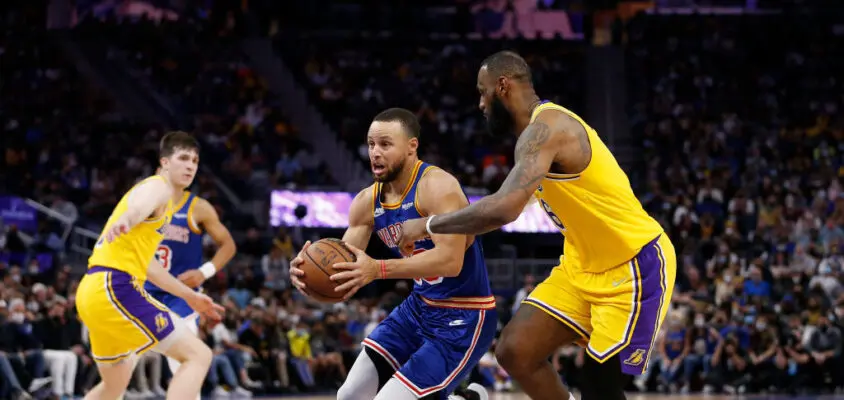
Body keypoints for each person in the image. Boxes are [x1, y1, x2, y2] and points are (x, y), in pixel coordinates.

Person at [398, 51, 678, 400]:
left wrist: (427, 226)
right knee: (515, 351)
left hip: (634, 265)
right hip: (581, 267)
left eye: (483, 92)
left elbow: (504, 209)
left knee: (599, 387)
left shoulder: (547, 130)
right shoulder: (534, 140)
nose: (480, 104)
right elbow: (500, 207)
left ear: (503, 86)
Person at [290, 108, 494, 400]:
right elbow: (341, 269)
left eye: (385, 144)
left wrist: (378, 269)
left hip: (464, 314)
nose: (375, 152)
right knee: (348, 396)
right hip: (417, 309)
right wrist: (303, 275)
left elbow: (450, 262)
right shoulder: (365, 201)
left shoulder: (437, 188)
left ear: (412, 147)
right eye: (371, 144)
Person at [75, 131, 224, 400]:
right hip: (115, 286)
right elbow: (139, 205)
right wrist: (129, 219)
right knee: (198, 355)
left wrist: (191, 296)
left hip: (92, 292)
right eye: (183, 158)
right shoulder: (158, 186)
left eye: (195, 161)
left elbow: (150, 267)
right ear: (165, 162)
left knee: (114, 385)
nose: (190, 165)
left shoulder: (164, 207)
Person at [143, 168, 242, 398]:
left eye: (192, 162)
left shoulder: (197, 207)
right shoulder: (142, 203)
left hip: (180, 295)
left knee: (186, 360)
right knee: (118, 362)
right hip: (142, 292)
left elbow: (228, 245)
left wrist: (203, 272)